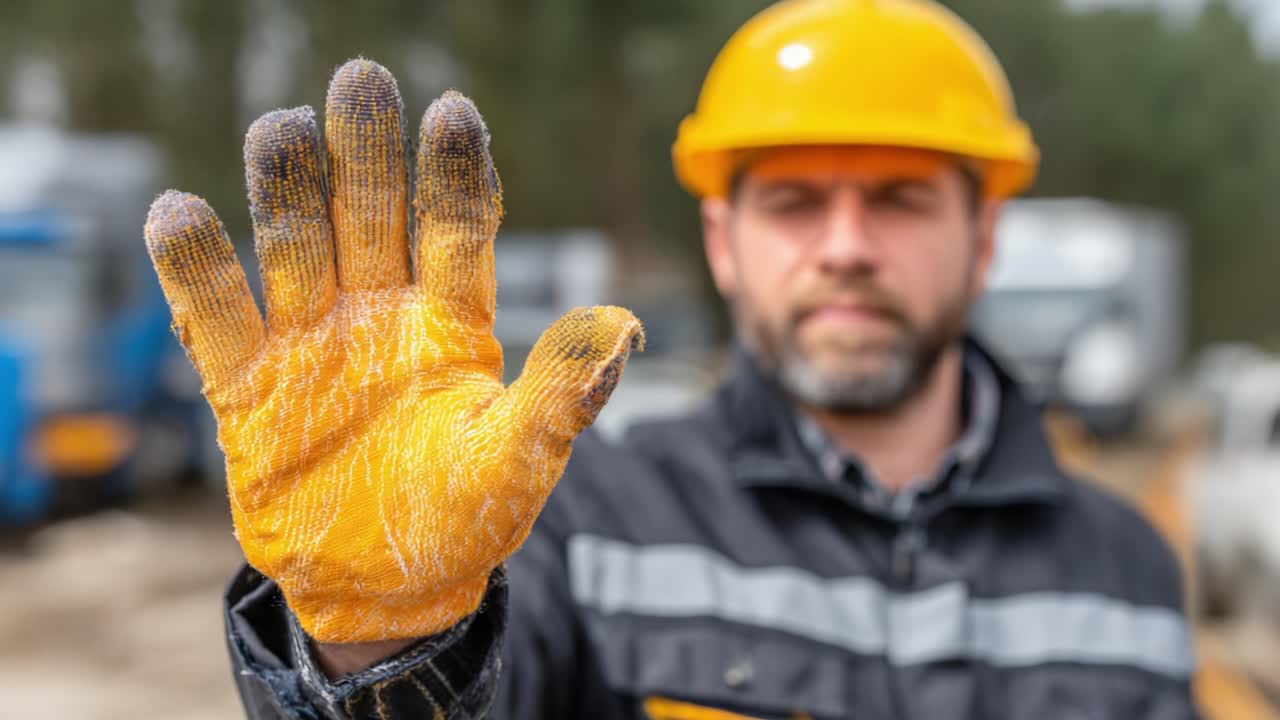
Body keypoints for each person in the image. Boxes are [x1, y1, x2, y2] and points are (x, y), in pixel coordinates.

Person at [145, 0, 1199, 717]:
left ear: (982, 238)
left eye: (898, 198)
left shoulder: (1128, 572)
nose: (843, 244)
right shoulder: (576, 521)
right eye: (792, 201)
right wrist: (378, 646)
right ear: (720, 242)